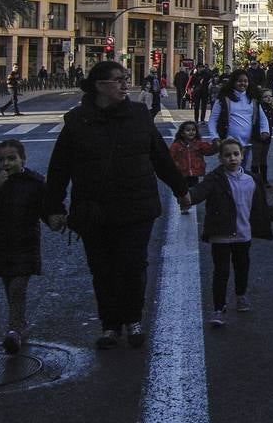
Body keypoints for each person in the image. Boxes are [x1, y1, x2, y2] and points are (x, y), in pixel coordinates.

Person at [43, 61, 190, 350]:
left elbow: (160, 156)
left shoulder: (139, 115)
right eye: (118, 80)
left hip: (136, 206)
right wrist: (53, 208)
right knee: (103, 269)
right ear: (100, 85)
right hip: (94, 210)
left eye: (125, 79)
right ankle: (110, 325)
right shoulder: (77, 122)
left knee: (133, 264)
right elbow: (59, 169)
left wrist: (181, 190)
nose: (125, 85)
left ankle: (133, 319)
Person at [0, 140, 47, 355]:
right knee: (10, 288)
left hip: (26, 244)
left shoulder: (34, 182)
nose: (6, 163)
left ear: (22, 159)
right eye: (1, 159)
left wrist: (55, 218)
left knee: (17, 287)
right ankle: (21, 323)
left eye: (11, 158)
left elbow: (44, 208)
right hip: (1, 245)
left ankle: (13, 330)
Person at [191, 138, 273, 327]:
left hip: (243, 233)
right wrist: (188, 197)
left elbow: (260, 206)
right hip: (221, 233)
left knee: (242, 266)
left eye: (236, 154)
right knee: (221, 271)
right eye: (227, 155)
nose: (232, 158)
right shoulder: (215, 178)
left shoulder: (252, 179)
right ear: (220, 158)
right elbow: (200, 191)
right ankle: (218, 308)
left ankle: (240, 295)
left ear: (242, 155)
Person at [208, 71, 271, 174]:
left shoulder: (252, 99)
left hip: (247, 143)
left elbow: (263, 118)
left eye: (245, 81)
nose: (243, 84)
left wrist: (265, 131)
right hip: (228, 144)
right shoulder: (223, 99)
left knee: (241, 170)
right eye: (239, 81)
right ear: (233, 82)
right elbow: (213, 120)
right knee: (229, 171)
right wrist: (214, 137)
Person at [169, 120, 213, 207]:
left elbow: (208, 150)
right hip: (182, 172)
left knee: (193, 190)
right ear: (182, 133)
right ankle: (183, 203)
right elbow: (170, 156)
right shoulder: (176, 145)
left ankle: (188, 203)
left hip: (194, 172)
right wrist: (174, 165)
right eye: (188, 130)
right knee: (182, 190)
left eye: (193, 130)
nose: (191, 132)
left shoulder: (199, 144)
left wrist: (216, 146)